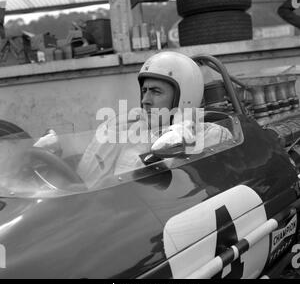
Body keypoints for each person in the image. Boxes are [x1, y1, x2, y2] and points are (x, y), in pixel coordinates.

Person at [34, 52, 232, 189]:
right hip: (95, 210)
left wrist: (180, 133)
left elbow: (213, 138)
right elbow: (89, 176)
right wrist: (57, 151)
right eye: (144, 91)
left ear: (184, 96)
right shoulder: (125, 125)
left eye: (156, 91)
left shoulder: (205, 133)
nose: (145, 99)